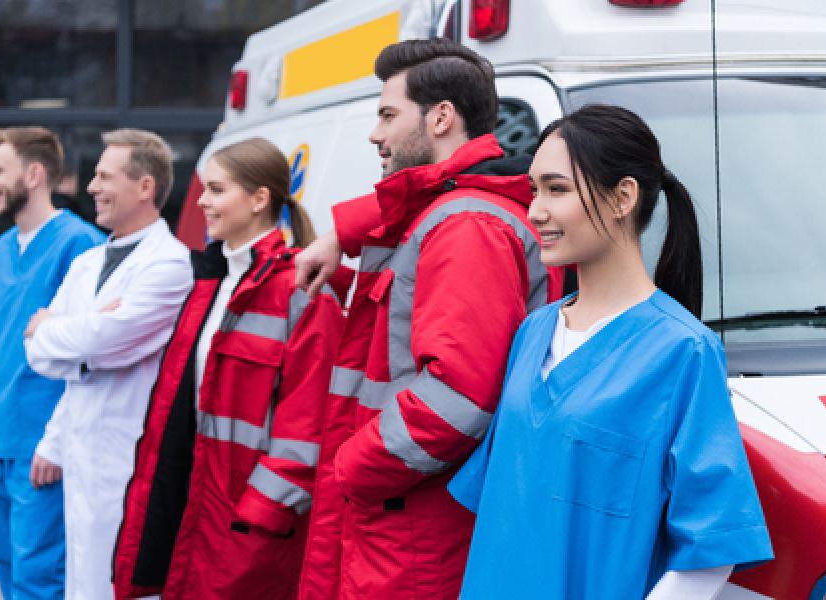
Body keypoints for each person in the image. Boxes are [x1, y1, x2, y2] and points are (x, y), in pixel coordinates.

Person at [448, 104, 774, 599]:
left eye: (557, 190)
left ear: (623, 196)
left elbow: (711, 549)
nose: (535, 209)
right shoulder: (533, 333)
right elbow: (504, 504)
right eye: (534, 189)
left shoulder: (683, 352)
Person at [295, 39, 564, 599]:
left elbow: (458, 397)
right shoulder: (456, 209)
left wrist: (353, 467)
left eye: (388, 115)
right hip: (408, 524)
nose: (376, 134)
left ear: (441, 117)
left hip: (412, 535)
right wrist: (340, 234)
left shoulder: (465, 226)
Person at [112, 138, 350, 599]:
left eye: (217, 190)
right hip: (198, 507)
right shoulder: (209, 283)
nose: (202, 201)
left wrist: (259, 517)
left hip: (250, 526)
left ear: (259, 199)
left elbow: (306, 430)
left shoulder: (302, 292)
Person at [22, 129, 193, 599]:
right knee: (81, 578)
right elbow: (36, 352)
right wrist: (84, 336)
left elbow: (109, 339)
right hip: (83, 453)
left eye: (104, 176)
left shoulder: (171, 265)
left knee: (122, 582)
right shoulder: (88, 262)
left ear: (145, 187)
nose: (92, 187)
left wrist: (58, 330)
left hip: (128, 457)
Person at [0, 126, 104, 599]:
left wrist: (57, 442)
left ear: (36, 173)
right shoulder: (3, 248)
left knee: (39, 579)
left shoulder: (80, 245)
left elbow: (90, 355)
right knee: (7, 571)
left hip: (41, 446)